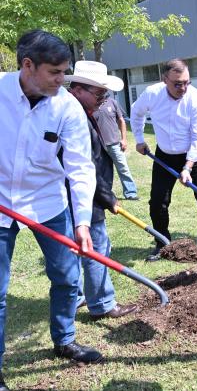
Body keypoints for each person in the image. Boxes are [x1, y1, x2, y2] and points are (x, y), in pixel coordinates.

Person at [0, 30, 101, 391]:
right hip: (0, 202)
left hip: (47, 201)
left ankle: (64, 339)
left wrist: (84, 222)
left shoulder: (66, 106)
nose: (63, 80)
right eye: (55, 72)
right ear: (28, 66)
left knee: (67, 276)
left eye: (66, 72)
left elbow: (79, 167)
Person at [130, 59, 197, 264]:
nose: (183, 88)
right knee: (158, 202)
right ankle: (162, 244)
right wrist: (139, 139)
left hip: (196, 155)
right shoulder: (152, 94)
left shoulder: (196, 100)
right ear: (164, 79)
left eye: (186, 82)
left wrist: (187, 166)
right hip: (164, 154)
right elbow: (136, 112)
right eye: (177, 83)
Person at [66, 61, 138, 320]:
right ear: (77, 89)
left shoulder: (80, 112)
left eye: (106, 95)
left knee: (75, 250)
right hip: (84, 196)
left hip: (86, 194)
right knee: (96, 248)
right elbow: (83, 166)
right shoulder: (75, 118)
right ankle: (103, 304)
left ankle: (78, 297)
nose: (103, 100)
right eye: (100, 94)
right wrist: (106, 196)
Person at [94, 95, 139, 200]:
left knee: (123, 168)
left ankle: (131, 193)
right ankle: (104, 195)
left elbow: (122, 121)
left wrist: (124, 139)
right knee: (102, 171)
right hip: (99, 145)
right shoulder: (92, 104)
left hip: (115, 143)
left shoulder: (112, 102)